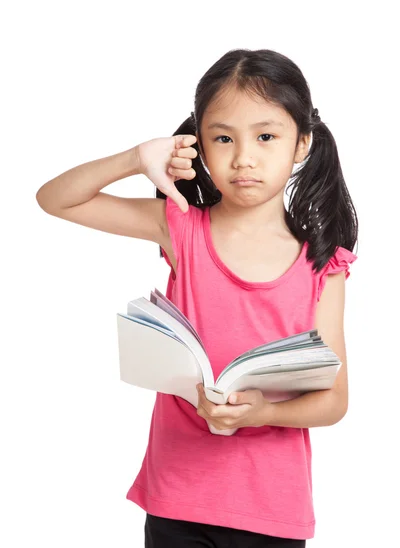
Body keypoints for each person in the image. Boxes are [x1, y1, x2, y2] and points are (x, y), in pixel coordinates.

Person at [36, 48, 359, 547]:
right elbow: (56, 199)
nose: (243, 157)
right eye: (223, 138)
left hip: (271, 509)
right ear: (200, 146)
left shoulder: (322, 263)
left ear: (303, 145)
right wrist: (135, 158)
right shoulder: (180, 226)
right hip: (177, 498)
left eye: (266, 136)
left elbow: (334, 400)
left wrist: (261, 412)